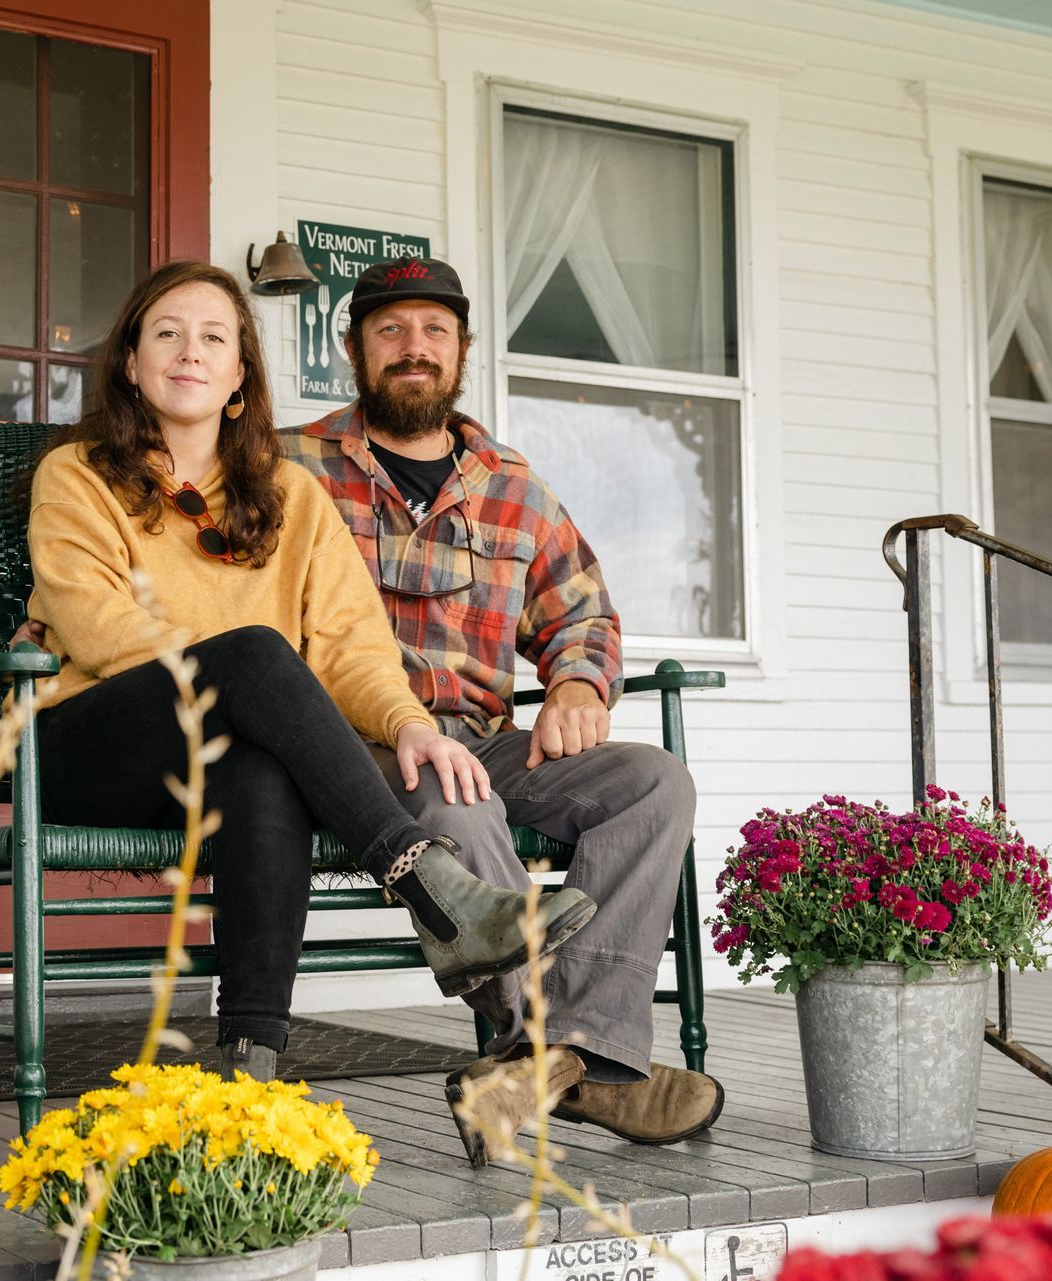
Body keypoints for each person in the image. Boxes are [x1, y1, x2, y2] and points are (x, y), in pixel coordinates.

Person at [23, 260, 597, 1082]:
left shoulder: (290, 495)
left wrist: (407, 725)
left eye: (214, 337)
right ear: (130, 362)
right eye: (169, 334)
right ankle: (432, 887)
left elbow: (351, 644)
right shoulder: (77, 475)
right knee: (258, 652)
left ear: (237, 376)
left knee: (265, 767)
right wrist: (243, 672)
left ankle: (249, 1065)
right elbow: (101, 628)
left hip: (215, 755)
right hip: (93, 744)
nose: (191, 351)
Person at [279, 256, 723, 1160]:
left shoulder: (512, 485)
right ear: (355, 351)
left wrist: (572, 682)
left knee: (652, 782)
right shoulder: (294, 464)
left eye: (434, 332)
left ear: (462, 349)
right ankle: (578, 1065)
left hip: (487, 736)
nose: (414, 349)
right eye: (391, 331)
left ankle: (545, 1058)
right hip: (356, 745)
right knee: (458, 802)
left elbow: (584, 612)